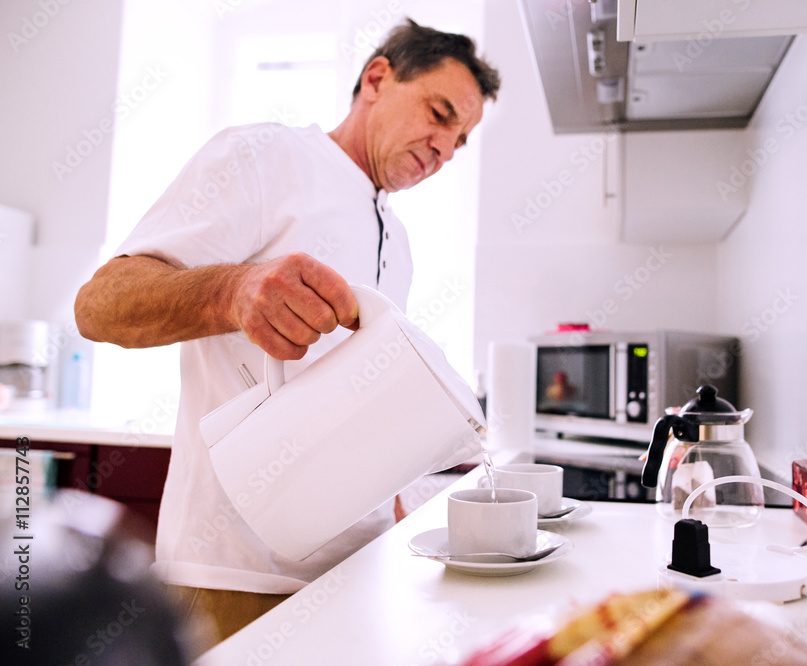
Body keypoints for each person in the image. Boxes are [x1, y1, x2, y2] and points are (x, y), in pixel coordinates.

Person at [74, 19, 500, 646]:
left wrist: (407, 500)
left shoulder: (397, 238)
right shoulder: (264, 158)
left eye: (460, 141)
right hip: (235, 573)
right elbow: (99, 305)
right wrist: (233, 290)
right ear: (378, 79)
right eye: (439, 114)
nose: (444, 147)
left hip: (356, 570)